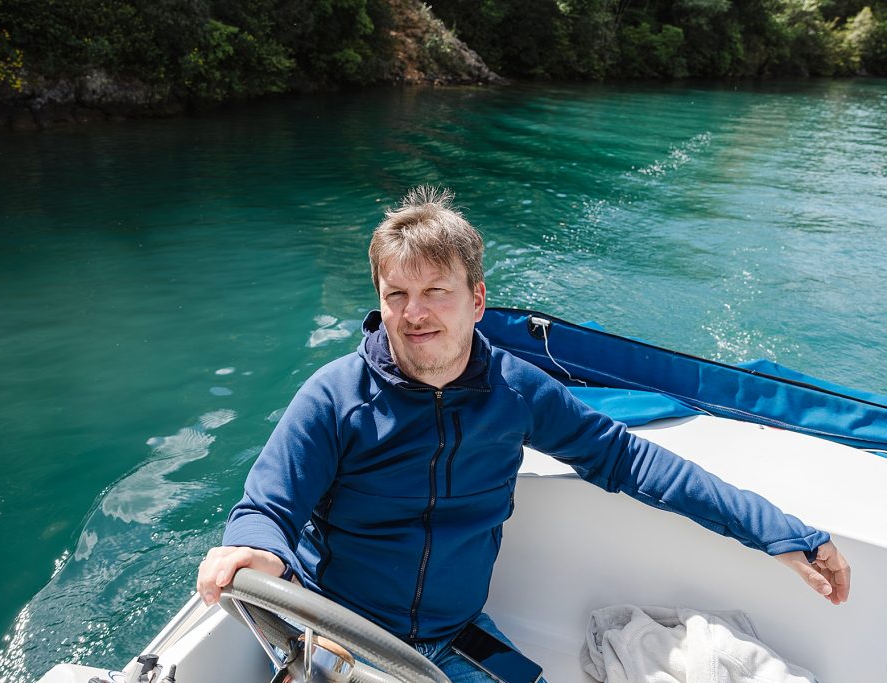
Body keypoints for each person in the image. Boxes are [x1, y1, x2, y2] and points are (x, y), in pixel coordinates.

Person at [197, 186, 851, 681]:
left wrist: (777, 532)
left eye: (435, 291)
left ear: (477, 301)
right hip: (342, 637)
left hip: (454, 637)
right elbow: (267, 509)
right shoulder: (335, 396)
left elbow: (632, 460)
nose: (414, 312)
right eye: (397, 294)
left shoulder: (518, 390)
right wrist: (252, 550)